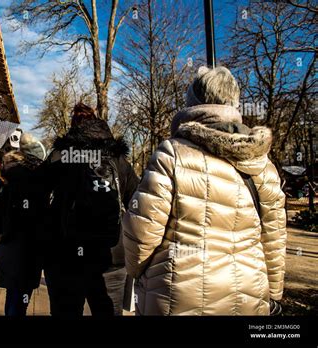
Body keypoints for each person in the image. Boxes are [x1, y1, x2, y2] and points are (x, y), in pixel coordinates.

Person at [123, 66, 287, 315]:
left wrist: (139, 273)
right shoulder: (263, 165)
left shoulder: (171, 154)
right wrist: (274, 294)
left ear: (192, 104)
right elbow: (274, 238)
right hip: (247, 296)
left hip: (175, 295)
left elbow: (141, 230)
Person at [44, 103, 139, 316]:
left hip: (65, 255)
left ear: (73, 125)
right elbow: (138, 203)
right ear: (98, 122)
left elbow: (35, 195)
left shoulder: (60, 155)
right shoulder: (118, 159)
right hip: (111, 256)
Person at [0, 133, 48, 316]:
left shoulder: (10, 176)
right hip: (32, 245)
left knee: (13, 291)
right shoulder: (39, 180)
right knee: (23, 293)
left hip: (10, 244)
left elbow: (0, 211)